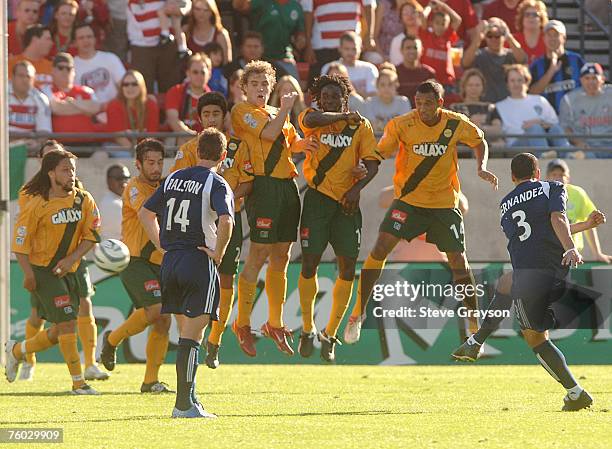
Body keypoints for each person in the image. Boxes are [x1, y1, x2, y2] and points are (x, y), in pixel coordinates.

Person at [343, 80, 499, 344]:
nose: (422, 108)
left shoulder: (455, 122)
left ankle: (474, 331)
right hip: (409, 202)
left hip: (444, 204)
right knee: (379, 249)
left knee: (459, 262)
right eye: (419, 103)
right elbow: (380, 153)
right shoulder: (401, 124)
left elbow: (479, 140)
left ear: (440, 103)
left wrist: (481, 167)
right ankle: (357, 315)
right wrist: (362, 165)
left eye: (428, 103)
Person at [455, 153, 593, 411]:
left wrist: (570, 246)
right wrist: (574, 242)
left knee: (516, 302)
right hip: (554, 270)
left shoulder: (506, 204)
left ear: (512, 177)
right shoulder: (552, 187)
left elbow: (550, 223)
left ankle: (476, 342)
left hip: (533, 273)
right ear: (538, 173)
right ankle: (575, 394)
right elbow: (556, 220)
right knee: (533, 331)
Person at [139, 128, 234, 418]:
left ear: (196, 151)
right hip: (197, 259)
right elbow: (226, 219)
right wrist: (218, 252)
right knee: (193, 336)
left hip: (171, 262)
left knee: (186, 332)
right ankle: (183, 405)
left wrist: (162, 246)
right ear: (223, 155)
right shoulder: (217, 183)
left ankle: (190, 398)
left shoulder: (173, 178)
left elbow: (145, 213)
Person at [230, 60, 317, 357]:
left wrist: (312, 144)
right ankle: (242, 323)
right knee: (258, 253)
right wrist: (284, 109)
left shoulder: (278, 117)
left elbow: (292, 144)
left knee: (282, 253)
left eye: (265, 84)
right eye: (254, 84)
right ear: (244, 88)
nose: (260, 89)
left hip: (286, 187)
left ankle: (274, 323)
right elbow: (268, 134)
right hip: (264, 187)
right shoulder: (243, 112)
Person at [297, 74, 381, 362]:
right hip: (317, 199)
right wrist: (343, 115)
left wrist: (357, 189)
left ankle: (329, 334)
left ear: (345, 98)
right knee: (309, 263)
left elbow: (372, 164)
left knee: (346, 267)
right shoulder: (311, 116)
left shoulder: (361, 126)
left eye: (337, 96)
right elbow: (310, 122)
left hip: (346, 202)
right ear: (318, 100)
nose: (331, 100)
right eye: (326, 97)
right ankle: (307, 328)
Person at [6, 149, 102, 394]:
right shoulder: (37, 204)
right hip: (43, 271)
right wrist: (28, 274)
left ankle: (17, 351)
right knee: (68, 323)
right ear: (51, 174)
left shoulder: (84, 200)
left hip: (71, 269)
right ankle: (78, 383)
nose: (71, 175)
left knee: (61, 328)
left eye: (73, 170)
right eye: (65, 170)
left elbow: (92, 236)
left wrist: (71, 259)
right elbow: (20, 243)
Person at [171, 92, 254, 369]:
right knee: (198, 279)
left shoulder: (237, 147)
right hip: (195, 224)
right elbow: (175, 185)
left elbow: (248, 182)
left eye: (215, 114)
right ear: (199, 118)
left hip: (229, 219)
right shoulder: (187, 150)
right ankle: (193, 336)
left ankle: (214, 342)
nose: (210, 119)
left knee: (226, 280)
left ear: (224, 116)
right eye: (205, 114)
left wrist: (224, 200)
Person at [99, 139, 173, 394]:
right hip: (135, 259)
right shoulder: (133, 188)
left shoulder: (166, 185)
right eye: (150, 163)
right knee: (155, 311)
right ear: (138, 164)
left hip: (162, 261)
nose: (156, 167)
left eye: (160, 162)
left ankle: (150, 381)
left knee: (163, 320)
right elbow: (148, 213)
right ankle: (111, 339)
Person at [546, 159, 612, 263]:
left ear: (568, 178)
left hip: (572, 255)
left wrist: (597, 253)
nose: (558, 178)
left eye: (562, 175)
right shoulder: (541, 195)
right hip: (548, 253)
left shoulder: (578, 193)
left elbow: (589, 223)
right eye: (554, 174)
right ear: (547, 177)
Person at [495, 64, 570, 149]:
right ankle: (544, 157)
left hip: (545, 140)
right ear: (507, 84)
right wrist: (531, 128)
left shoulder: (540, 100)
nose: (516, 84)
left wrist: (541, 122)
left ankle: (569, 154)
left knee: (554, 129)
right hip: (516, 146)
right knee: (534, 128)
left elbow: (555, 124)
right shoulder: (499, 106)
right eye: (512, 81)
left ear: (527, 82)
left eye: (520, 80)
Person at [302, 0, 376, 85]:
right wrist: (309, 45)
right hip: (322, 47)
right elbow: (307, 13)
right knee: (320, 88)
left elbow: (369, 6)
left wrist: (370, 36)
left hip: (351, 47)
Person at [233, 0, 305, 81]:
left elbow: (300, 33)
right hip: (260, 58)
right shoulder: (262, 2)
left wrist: (301, 41)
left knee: (292, 84)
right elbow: (238, 6)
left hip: (284, 57)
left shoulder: (295, 6)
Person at [126, 0, 187, 94]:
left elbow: (185, 3)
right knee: (143, 89)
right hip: (141, 47)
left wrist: (183, 8)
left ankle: (170, 108)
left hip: (168, 45)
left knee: (170, 87)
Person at [462, 17, 527, 103]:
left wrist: (509, 36)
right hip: (485, 105)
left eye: (497, 36)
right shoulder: (479, 55)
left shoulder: (511, 55)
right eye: (489, 36)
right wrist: (478, 37)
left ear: (503, 36)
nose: (493, 39)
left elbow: (523, 59)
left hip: (508, 105)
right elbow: (465, 63)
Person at [529, 20, 585, 112]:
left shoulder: (576, 60)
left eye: (556, 35)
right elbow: (531, 93)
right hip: (547, 118)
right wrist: (551, 71)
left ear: (564, 38)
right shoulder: (536, 65)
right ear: (543, 38)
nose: (552, 38)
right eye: (549, 35)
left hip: (574, 116)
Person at [45, 52, 101, 144]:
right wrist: (84, 108)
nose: (65, 71)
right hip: (60, 146)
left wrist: (70, 102)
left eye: (69, 68)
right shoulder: (47, 90)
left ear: (74, 72)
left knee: (102, 155)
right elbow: (56, 108)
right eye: (60, 68)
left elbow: (95, 108)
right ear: (53, 71)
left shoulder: (86, 90)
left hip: (89, 144)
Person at [559, 63, 612, 155]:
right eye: (587, 78)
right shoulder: (569, 99)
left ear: (602, 79)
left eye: (594, 78)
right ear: (581, 80)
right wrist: (578, 142)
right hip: (585, 146)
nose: (591, 82)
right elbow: (565, 127)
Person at [73, 22, 126, 108]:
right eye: (81, 38)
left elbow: (124, 86)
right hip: (87, 113)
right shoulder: (71, 66)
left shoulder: (111, 58)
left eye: (89, 37)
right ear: (75, 43)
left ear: (95, 39)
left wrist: (111, 105)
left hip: (114, 109)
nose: (86, 41)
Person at [106, 70, 160, 148]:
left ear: (141, 86)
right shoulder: (114, 105)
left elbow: (151, 136)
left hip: (145, 149)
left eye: (134, 84)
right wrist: (136, 155)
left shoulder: (150, 104)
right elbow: (120, 138)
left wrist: (144, 154)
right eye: (126, 84)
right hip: (119, 147)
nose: (130, 88)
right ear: (121, 87)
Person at [165, 52, 212, 142]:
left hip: (205, 141)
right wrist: (192, 136)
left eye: (202, 72)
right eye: (195, 72)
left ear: (209, 74)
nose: (199, 76)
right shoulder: (175, 91)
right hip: (179, 137)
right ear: (188, 73)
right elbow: (173, 121)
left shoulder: (213, 98)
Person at [450, 68, 503, 143]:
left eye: (477, 85)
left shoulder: (490, 107)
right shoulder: (454, 108)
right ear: (464, 87)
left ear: (483, 87)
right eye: (470, 85)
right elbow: (451, 131)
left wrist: (481, 128)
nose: (474, 88)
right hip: (463, 150)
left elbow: (498, 130)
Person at [418, 0, 462, 90]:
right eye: (437, 23)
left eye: (443, 24)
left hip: (446, 82)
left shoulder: (448, 36)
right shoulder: (426, 35)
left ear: (447, 25)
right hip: (427, 79)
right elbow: (423, 16)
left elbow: (458, 20)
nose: (440, 26)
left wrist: (443, 5)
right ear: (432, 24)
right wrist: (430, 6)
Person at [321, 32, 379, 99]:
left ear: (361, 48)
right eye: (347, 49)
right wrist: (359, 94)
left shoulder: (369, 68)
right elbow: (326, 97)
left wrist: (349, 93)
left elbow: (374, 97)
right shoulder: (329, 68)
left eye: (354, 49)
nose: (350, 53)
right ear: (340, 49)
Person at [9, 60, 52, 142]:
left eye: (28, 77)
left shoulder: (41, 100)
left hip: (29, 148)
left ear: (33, 79)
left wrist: (37, 144)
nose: (25, 80)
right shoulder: (2, 96)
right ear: (13, 77)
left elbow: (44, 130)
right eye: (21, 76)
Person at [222, 31, 289, 85]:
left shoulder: (272, 68)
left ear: (262, 49)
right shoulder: (230, 69)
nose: (252, 50)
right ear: (241, 49)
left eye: (256, 46)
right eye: (249, 46)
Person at [363, 64, 412, 136]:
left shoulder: (403, 102)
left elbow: (405, 127)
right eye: (382, 85)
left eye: (390, 84)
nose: (386, 88)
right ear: (377, 86)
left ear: (396, 85)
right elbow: (373, 127)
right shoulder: (369, 102)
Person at [8, 24, 55, 90]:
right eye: (48, 39)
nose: (51, 43)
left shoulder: (52, 67)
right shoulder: (11, 65)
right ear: (34, 40)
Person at [395, 35, 436, 103]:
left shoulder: (429, 73)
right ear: (401, 50)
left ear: (422, 50)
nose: (412, 51)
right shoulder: (394, 72)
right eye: (408, 48)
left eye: (415, 48)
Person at [98, 164, 131, 241]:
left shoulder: (120, 201)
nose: (123, 182)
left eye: (126, 178)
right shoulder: (111, 204)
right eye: (119, 178)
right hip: (114, 251)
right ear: (108, 181)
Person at [388, 0, 425, 66]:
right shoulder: (397, 41)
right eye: (405, 13)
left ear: (419, 14)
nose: (409, 15)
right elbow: (396, 65)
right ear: (401, 18)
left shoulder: (429, 36)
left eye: (413, 12)